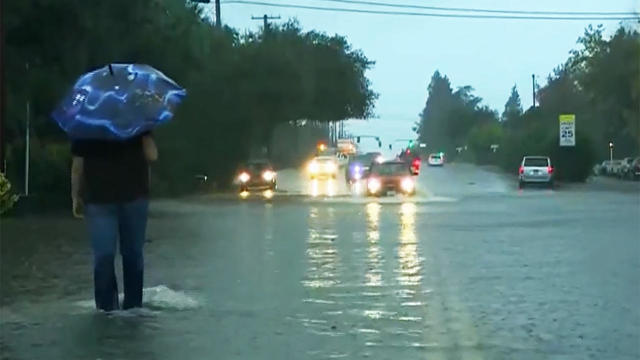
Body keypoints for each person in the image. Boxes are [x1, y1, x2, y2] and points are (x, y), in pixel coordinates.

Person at [71, 133, 157, 311]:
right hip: (119, 197)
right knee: (131, 254)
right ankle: (130, 308)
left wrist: (75, 195)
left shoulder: (88, 120)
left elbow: (77, 165)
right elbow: (152, 155)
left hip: (106, 198)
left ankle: (108, 309)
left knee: (106, 256)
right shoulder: (137, 118)